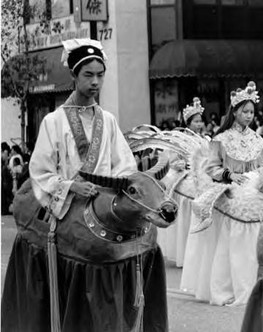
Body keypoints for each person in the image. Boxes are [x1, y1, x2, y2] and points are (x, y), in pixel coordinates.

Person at [3, 39, 168, 331]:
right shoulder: (53, 122)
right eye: (88, 75)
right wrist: (69, 187)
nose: (95, 82)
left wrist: (116, 189)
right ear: (74, 76)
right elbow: (40, 170)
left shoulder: (109, 120)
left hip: (105, 203)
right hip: (69, 206)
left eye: (100, 74)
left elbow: (125, 166)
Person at [204, 81, 263, 306]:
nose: (249, 116)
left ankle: (255, 287)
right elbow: (211, 168)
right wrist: (230, 176)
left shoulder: (258, 140)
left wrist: (257, 179)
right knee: (231, 246)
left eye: (252, 112)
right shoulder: (221, 139)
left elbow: (262, 167)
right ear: (235, 111)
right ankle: (228, 288)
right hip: (232, 195)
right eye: (245, 111)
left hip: (253, 196)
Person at [159, 97, 206, 267]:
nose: (199, 124)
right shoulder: (179, 139)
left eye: (201, 121)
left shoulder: (206, 140)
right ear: (188, 122)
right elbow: (171, 160)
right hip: (184, 175)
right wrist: (179, 164)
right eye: (196, 121)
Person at [1, 142, 13, 215]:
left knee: (4, 193)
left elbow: (5, 161)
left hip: (4, 171)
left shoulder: (5, 152)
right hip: (5, 171)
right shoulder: (7, 151)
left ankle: (4, 209)